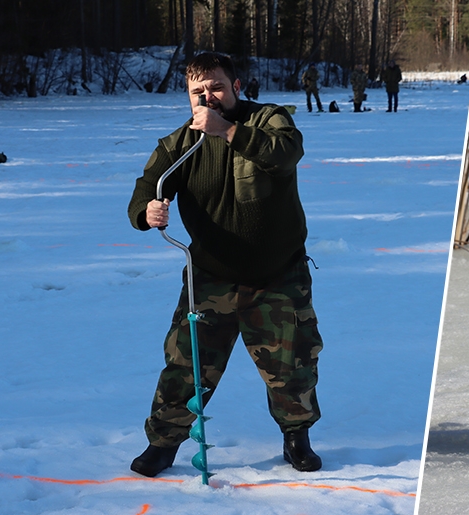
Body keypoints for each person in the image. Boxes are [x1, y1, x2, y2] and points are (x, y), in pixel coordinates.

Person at [126, 52, 323, 477]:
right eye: (197, 91)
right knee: (186, 365)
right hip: (211, 279)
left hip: (277, 276)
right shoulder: (179, 143)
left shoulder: (268, 120)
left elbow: (286, 153)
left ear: (236, 86)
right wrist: (149, 211)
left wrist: (229, 131)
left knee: (291, 366)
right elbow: (146, 190)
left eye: (215, 86)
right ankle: (162, 444)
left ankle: (296, 438)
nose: (207, 97)